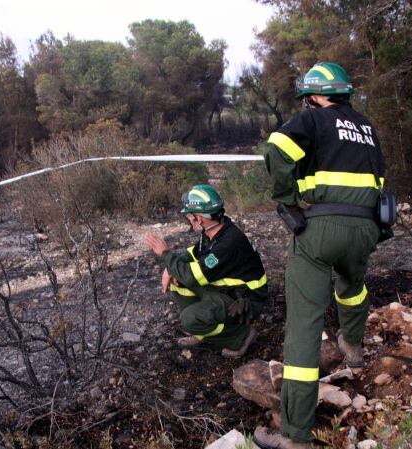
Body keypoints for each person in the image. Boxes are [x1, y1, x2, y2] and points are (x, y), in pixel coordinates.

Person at [253, 63, 385, 449]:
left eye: (308, 99)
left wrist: (287, 198)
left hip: (320, 229)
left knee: (304, 326)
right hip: (366, 228)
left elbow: (276, 149)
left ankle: (295, 436)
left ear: (314, 96)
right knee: (352, 287)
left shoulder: (313, 120)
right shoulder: (367, 129)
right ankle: (354, 347)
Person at [143, 184, 267, 358]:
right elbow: (192, 253)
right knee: (178, 281)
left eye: (190, 217)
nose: (189, 220)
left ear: (199, 219)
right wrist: (169, 269)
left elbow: (192, 276)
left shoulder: (227, 244)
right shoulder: (216, 230)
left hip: (245, 300)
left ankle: (240, 337)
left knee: (189, 318)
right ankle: (202, 331)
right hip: (230, 291)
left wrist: (165, 254)